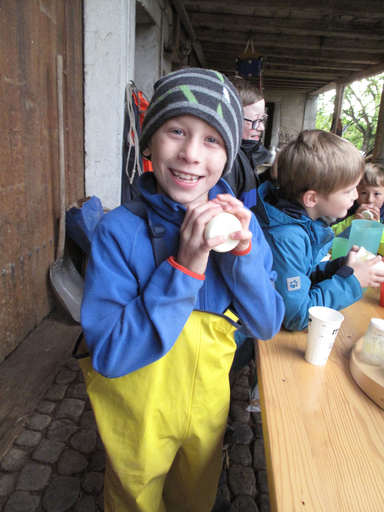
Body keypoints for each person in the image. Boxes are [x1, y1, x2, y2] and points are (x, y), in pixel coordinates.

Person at [80, 68, 285, 512]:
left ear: (229, 154)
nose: (192, 154)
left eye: (212, 139)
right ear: (149, 140)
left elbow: (266, 325)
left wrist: (243, 257)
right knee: (134, 500)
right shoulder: (119, 233)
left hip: (207, 416)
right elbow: (111, 356)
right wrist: (185, 268)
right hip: (136, 418)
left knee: (194, 498)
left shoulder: (243, 232)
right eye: (176, 130)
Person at [252, 129, 384, 332]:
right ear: (312, 199)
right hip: (251, 337)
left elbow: (299, 276)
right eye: (349, 190)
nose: (356, 196)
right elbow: (297, 315)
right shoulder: (285, 236)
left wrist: (341, 267)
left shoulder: (300, 223)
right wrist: (352, 281)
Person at [223, 76, 275, 209]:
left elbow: (246, 189)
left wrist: (270, 176)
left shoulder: (243, 154)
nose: (261, 127)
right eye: (255, 120)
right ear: (231, 119)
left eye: (262, 119)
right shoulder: (229, 161)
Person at [331, 163, 384, 256]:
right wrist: (353, 221)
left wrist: (376, 226)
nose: (370, 200)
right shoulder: (348, 209)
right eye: (364, 193)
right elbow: (330, 237)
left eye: (377, 194)